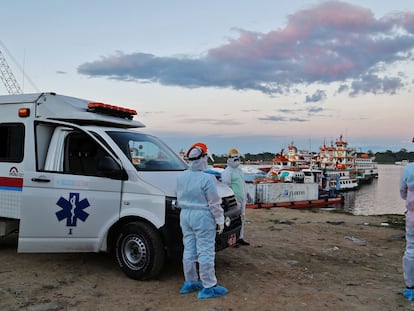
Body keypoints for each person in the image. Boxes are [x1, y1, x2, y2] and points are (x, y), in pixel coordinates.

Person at [176, 142, 228, 299]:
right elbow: (214, 203)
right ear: (203, 158)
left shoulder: (181, 176)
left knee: (189, 249)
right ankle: (209, 286)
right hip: (202, 217)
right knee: (205, 251)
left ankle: (190, 281)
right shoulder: (208, 179)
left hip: (185, 215)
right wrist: (220, 220)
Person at [221, 148, 250, 246]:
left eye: (238, 158)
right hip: (234, 200)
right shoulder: (227, 172)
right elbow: (226, 187)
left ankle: (240, 237)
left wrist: (247, 194)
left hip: (242, 199)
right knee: (233, 220)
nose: (237, 160)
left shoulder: (239, 170)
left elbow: (242, 183)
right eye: (234, 158)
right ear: (229, 159)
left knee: (242, 218)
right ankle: (232, 240)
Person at [400, 160, 414, 301]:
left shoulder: (409, 169)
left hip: (413, 218)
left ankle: (410, 287)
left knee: (411, 250)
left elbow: (403, 192)